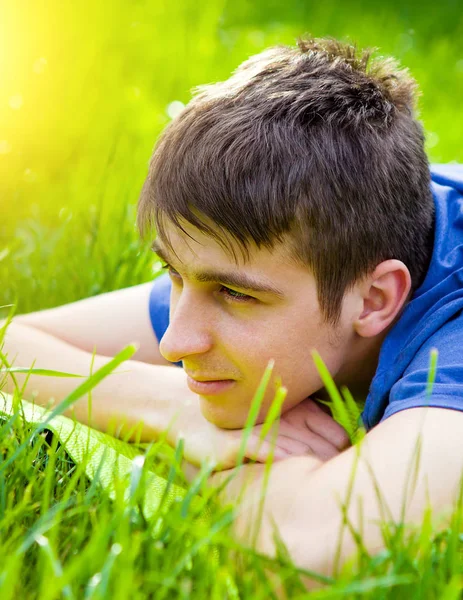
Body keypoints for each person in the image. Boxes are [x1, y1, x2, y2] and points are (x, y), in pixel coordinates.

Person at [3, 37, 463, 582]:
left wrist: (234, 470)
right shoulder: (331, 233)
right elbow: (11, 345)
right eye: (176, 275)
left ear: (375, 298)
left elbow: (314, 554)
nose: (176, 343)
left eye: (234, 294)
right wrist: (166, 406)